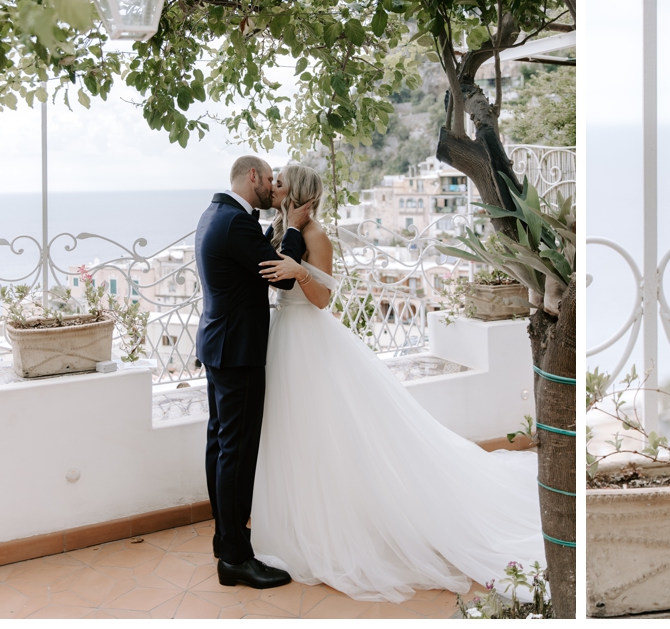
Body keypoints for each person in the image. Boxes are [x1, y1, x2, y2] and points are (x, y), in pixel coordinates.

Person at [246, 164, 544, 603]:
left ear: (301, 194)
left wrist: (300, 272)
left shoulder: (316, 238)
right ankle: (300, 519)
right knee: (295, 433)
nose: (273, 187)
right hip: (284, 339)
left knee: (326, 432)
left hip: (308, 338)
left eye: (280, 183)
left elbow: (324, 300)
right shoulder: (282, 229)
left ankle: (338, 526)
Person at [194, 155, 302, 589]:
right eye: (270, 180)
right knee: (236, 452)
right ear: (253, 176)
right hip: (237, 351)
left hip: (219, 345)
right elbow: (284, 277)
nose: (273, 187)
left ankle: (227, 538)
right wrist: (292, 226)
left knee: (220, 445)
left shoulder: (213, 214)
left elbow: (250, 258)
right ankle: (236, 558)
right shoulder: (234, 223)